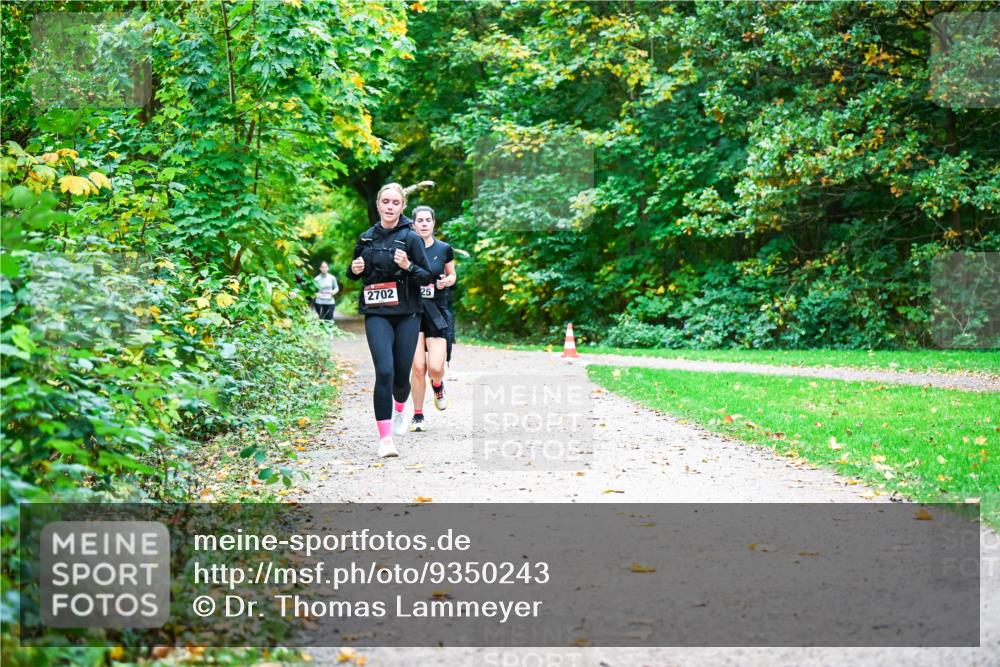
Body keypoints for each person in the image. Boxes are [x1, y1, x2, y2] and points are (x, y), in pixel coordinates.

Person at [346, 183, 435, 458]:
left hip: (408, 313)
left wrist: (408, 266)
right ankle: (385, 440)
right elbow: (352, 273)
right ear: (378, 204)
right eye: (385, 201)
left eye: (395, 203)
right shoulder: (367, 238)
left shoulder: (410, 238)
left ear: (402, 206)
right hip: (377, 313)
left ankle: (400, 407)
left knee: (399, 376)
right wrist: (354, 268)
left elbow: (428, 276)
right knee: (384, 371)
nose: (390, 207)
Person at [408, 206, 457, 432]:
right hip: (413, 311)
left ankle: (437, 385)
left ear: (434, 223)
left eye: (428, 220)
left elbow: (452, 274)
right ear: (414, 223)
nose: (424, 223)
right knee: (418, 367)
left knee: (435, 367)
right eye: (420, 220)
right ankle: (418, 415)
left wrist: (448, 281)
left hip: (437, 310)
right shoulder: (407, 247)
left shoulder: (444, 248)